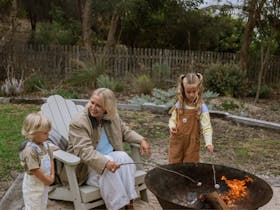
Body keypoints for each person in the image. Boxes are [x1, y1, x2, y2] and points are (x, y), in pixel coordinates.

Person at [67, 88, 151, 210]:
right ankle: (118, 206)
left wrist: (141, 140)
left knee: (123, 157)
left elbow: (125, 132)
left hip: (109, 160)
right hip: (85, 167)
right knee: (109, 167)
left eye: (98, 106)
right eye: (92, 102)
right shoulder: (79, 123)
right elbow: (84, 151)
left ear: (107, 108)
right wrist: (105, 163)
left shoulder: (112, 117)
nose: (93, 107)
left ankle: (129, 202)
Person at [168, 73, 214, 163]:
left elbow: (207, 127)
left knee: (190, 167)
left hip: (192, 144)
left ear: (198, 90)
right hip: (177, 141)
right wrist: (172, 126)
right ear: (183, 90)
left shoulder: (201, 107)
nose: (191, 95)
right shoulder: (179, 105)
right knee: (174, 165)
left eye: (194, 91)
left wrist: (208, 143)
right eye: (188, 92)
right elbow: (172, 119)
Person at [19, 112, 55, 210]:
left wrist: (52, 175)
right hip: (34, 186)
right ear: (33, 133)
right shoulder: (30, 150)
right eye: (45, 133)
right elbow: (35, 170)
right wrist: (47, 180)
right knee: (33, 206)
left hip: (44, 182)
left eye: (48, 132)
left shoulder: (45, 144)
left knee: (42, 204)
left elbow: (51, 158)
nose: (48, 135)